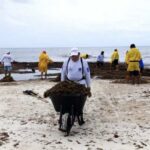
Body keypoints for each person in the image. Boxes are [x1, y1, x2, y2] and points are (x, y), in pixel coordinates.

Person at [61, 48, 91, 126]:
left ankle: (79, 112)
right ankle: (68, 112)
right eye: (72, 56)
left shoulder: (83, 62)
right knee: (67, 99)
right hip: (69, 83)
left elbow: (87, 74)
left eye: (75, 55)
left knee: (79, 101)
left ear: (78, 54)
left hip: (80, 83)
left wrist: (89, 86)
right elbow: (63, 73)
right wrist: (61, 84)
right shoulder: (66, 62)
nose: (74, 57)